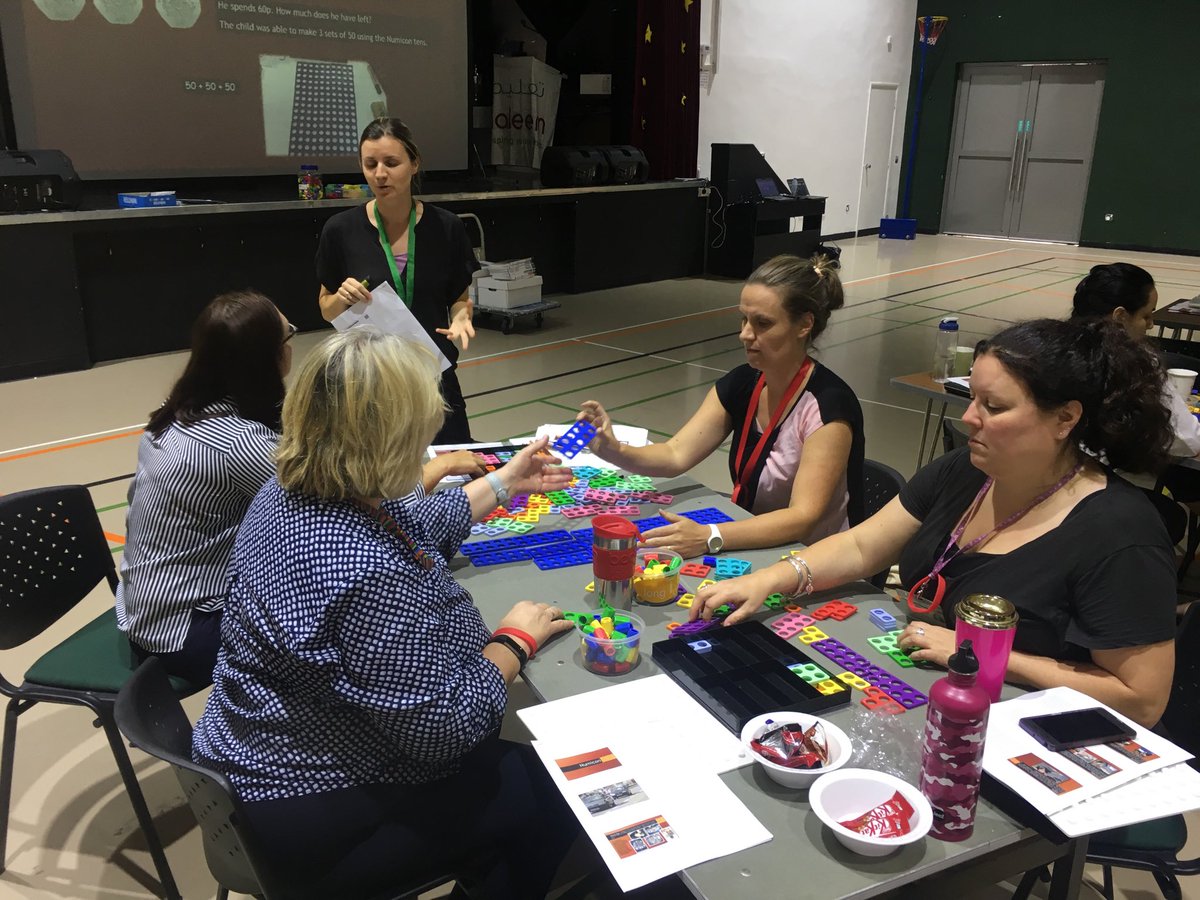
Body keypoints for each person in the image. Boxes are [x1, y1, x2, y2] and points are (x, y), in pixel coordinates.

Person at [192, 328, 580, 900]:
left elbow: (408, 523)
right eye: (421, 431)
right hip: (305, 806)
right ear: (386, 442)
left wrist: (502, 483)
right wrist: (511, 645)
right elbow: (444, 731)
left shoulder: (291, 488)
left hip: (245, 760)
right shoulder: (364, 571)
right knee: (550, 795)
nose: (431, 440)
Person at [691, 318, 1178, 728]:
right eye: (972, 397)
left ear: (1066, 418)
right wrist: (771, 579)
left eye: (995, 406)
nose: (968, 418)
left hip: (1013, 729)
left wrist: (981, 654)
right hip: (927, 696)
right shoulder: (967, 469)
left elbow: (1143, 700)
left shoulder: (1121, 533)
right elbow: (862, 547)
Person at [576, 253, 864, 559]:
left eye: (762, 323)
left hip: (814, 560)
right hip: (754, 541)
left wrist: (710, 536)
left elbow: (803, 518)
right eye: (744, 319)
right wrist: (613, 450)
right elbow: (675, 454)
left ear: (804, 325)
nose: (745, 334)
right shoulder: (743, 383)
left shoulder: (828, 408)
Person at [116, 290, 291, 685]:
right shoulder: (239, 443)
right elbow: (341, 500)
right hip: (185, 631)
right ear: (269, 359)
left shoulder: (177, 412)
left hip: (145, 610)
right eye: (287, 336)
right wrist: (435, 472)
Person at [316, 117, 479, 444]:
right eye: (370, 163)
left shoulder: (446, 228)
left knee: (453, 469)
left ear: (414, 163)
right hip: (371, 380)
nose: (379, 174)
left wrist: (462, 317)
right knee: (379, 483)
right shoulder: (340, 230)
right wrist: (341, 298)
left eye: (391, 163)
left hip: (433, 373)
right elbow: (326, 309)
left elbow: (460, 299)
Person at [1069, 261, 1200, 459]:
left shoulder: (1056, 348)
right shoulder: (1138, 366)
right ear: (1120, 316)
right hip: (1106, 476)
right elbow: (1188, 441)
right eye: (1146, 315)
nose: (1150, 325)